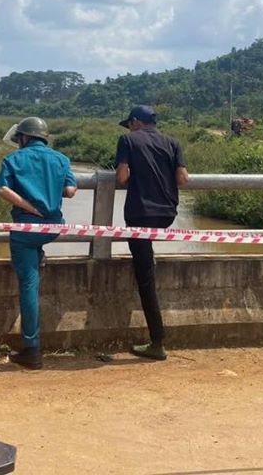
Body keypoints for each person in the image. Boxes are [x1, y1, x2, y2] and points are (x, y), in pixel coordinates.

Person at [0, 117, 77, 370]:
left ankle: (32, 348)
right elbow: (71, 191)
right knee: (35, 253)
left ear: (24, 138)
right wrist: (50, 190)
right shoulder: (61, 159)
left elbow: (3, 190)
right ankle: (40, 255)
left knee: (29, 286)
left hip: (25, 230)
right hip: (53, 228)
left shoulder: (13, 160)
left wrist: (29, 206)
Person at [115, 105, 188, 361]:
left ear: (135, 122)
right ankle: (150, 259)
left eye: (130, 123)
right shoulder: (173, 142)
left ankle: (157, 342)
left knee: (145, 276)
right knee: (147, 259)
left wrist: (134, 174)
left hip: (139, 214)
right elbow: (182, 178)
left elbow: (122, 177)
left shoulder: (127, 140)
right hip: (166, 214)